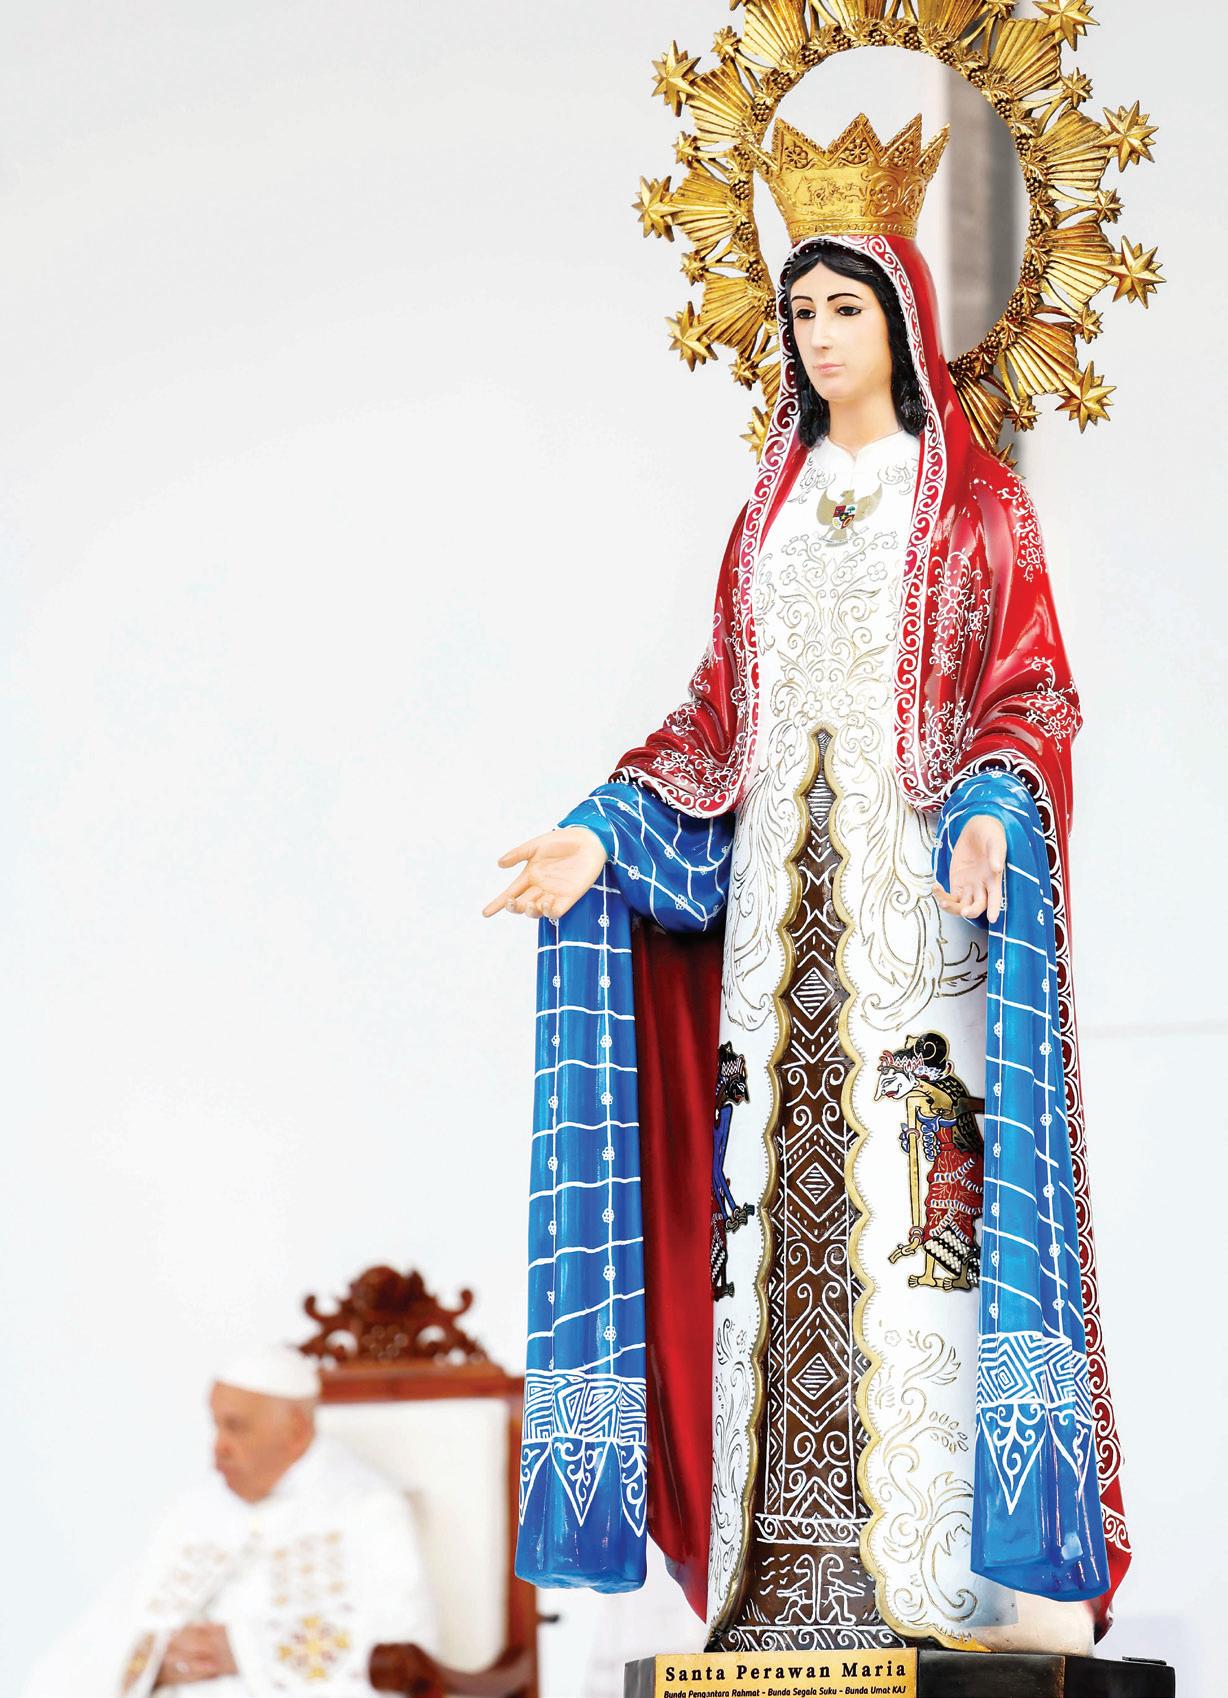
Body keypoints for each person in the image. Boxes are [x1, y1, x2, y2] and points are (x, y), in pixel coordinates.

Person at [486, 114, 1130, 1655]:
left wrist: (997, 809)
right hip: (777, 939)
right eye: (800, 309)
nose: (820, 333)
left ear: (901, 315)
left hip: (920, 927)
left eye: (847, 305)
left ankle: (939, 1573)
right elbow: (715, 724)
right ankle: (776, 1577)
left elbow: (1028, 697)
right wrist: (605, 832)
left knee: (924, 1223)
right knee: (765, 1229)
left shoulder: (974, 509)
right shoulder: (764, 516)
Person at [22, 1347, 435, 1696]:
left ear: (295, 1431)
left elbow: (405, 1649)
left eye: (236, 1428)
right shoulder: (193, 1510)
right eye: (215, 1425)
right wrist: (155, 1659)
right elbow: (109, 1627)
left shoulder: (367, 1507)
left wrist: (243, 1648)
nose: (218, 1447)